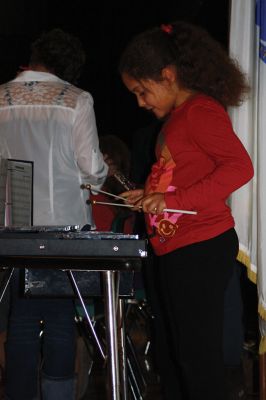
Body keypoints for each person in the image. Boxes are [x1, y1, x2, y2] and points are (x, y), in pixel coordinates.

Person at [118, 21, 254, 400]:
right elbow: (183, 174)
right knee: (178, 353)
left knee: (197, 357)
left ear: (168, 75)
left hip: (201, 244)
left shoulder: (200, 112)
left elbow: (240, 167)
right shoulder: (177, 119)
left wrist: (172, 201)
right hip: (177, 247)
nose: (141, 102)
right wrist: (149, 192)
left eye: (143, 91)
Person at [0, 28, 108, 400]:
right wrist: (100, 175)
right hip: (65, 222)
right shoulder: (76, 100)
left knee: (21, 318)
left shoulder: (0, 97)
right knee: (62, 317)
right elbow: (90, 166)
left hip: (14, 222)